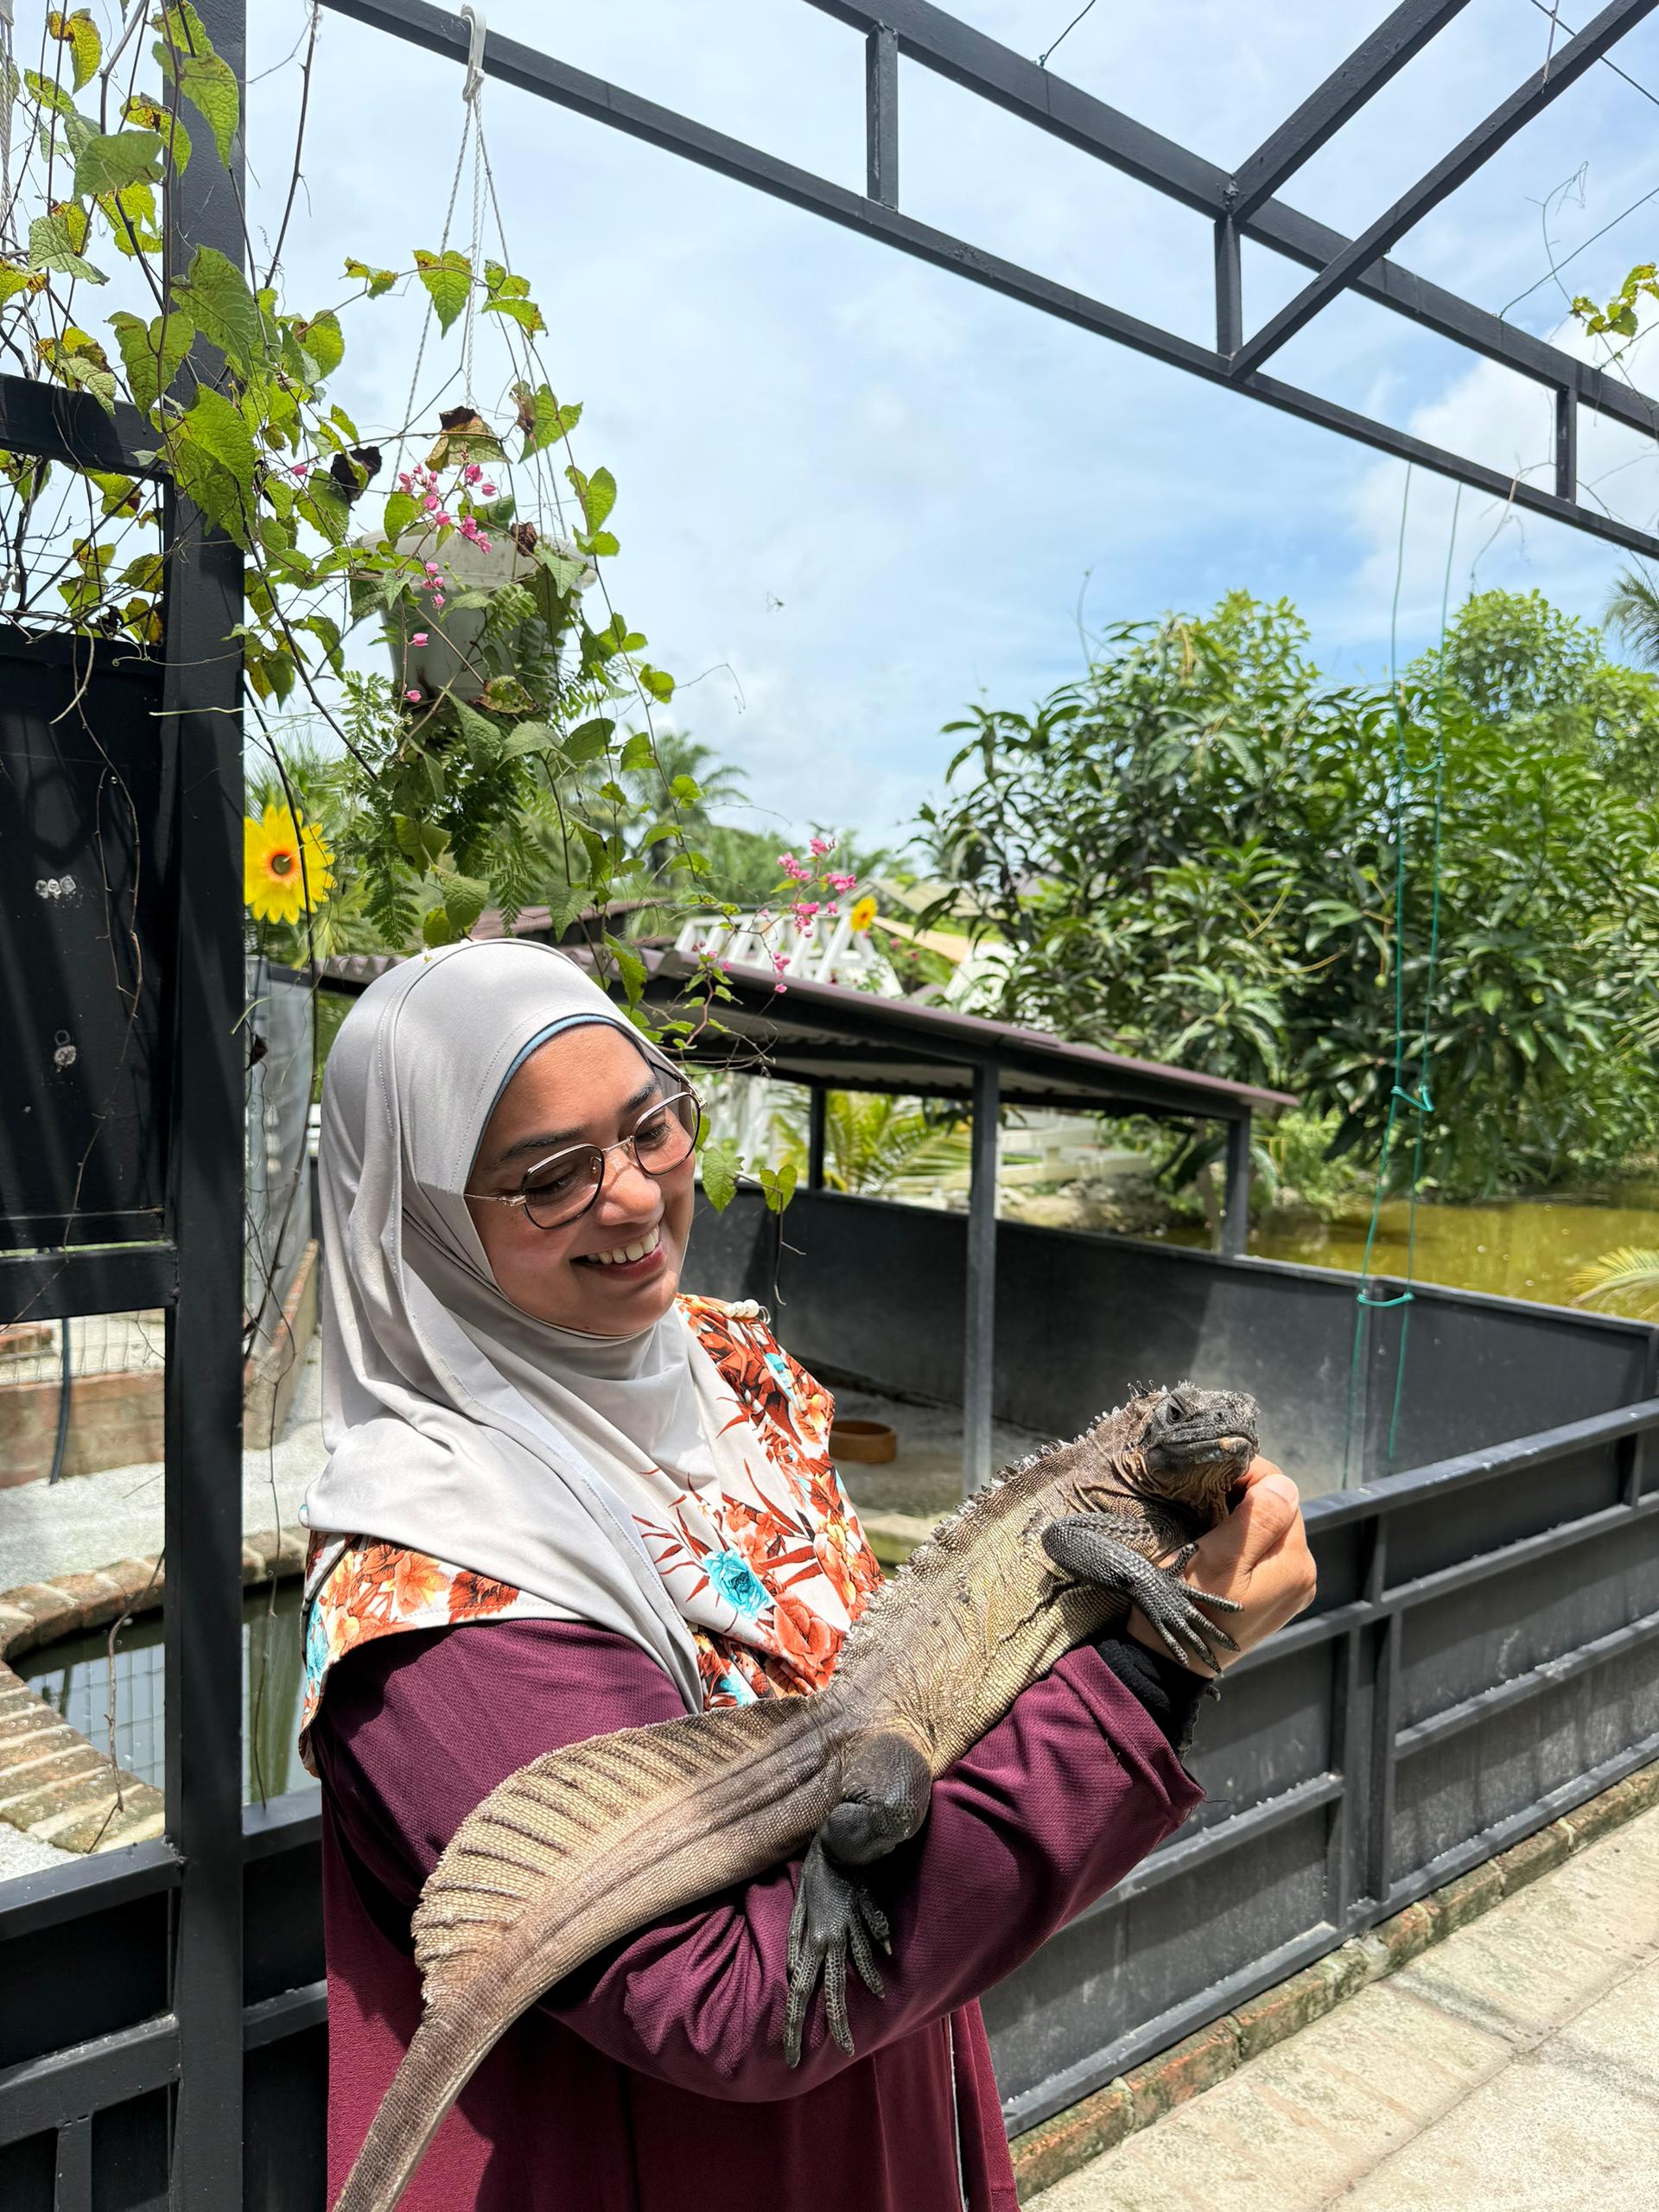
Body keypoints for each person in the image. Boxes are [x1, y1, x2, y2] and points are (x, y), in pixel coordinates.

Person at [300, 938, 1316, 2212]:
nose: (630, 1196)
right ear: (424, 1221)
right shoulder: (433, 1572)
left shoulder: (734, 1374)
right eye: (549, 1179)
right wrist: (1142, 1684)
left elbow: (888, 1690)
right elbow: (728, 2002)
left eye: (652, 1127)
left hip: (882, 2107)